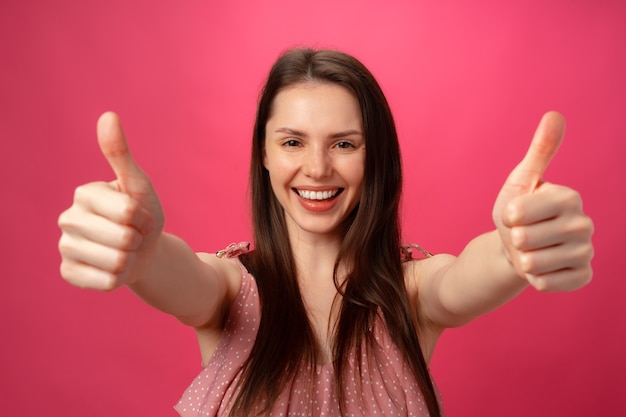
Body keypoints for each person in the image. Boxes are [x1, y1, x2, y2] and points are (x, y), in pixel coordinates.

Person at [57, 48, 594, 417]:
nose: (317, 168)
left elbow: (467, 278)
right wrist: (141, 252)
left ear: (374, 157)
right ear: (264, 155)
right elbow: (177, 275)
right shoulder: (228, 289)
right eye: (292, 142)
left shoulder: (409, 294)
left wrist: (513, 247)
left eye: (344, 144)